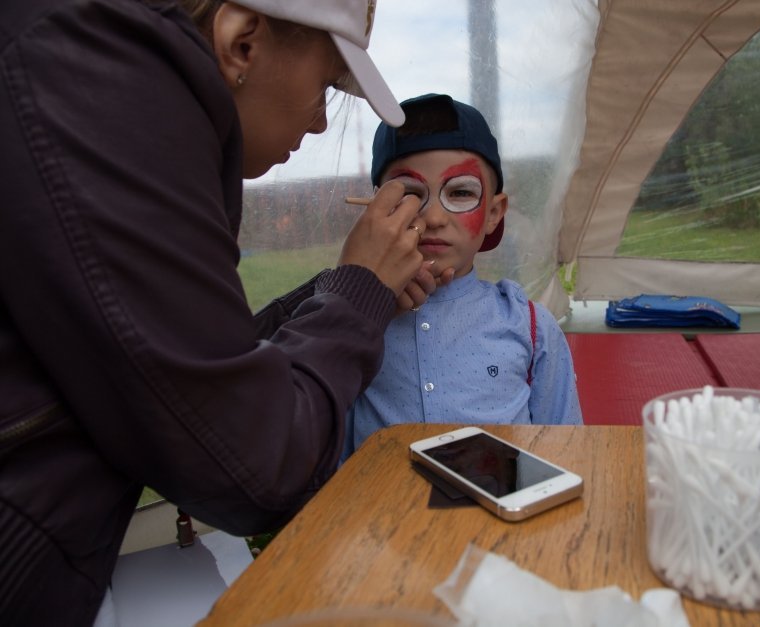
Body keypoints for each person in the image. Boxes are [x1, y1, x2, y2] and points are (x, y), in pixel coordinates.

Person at [0, 1, 443, 624]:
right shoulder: (96, 79)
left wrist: (348, 289)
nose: (319, 123)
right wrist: (358, 292)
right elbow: (254, 469)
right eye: (324, 87)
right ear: (242, 43)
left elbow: (195, 371)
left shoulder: (88, 74)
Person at [343, 94, 583, 458]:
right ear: (379, 210)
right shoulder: (347, 328)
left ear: (494, 212)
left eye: (459, 193)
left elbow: (570, 453)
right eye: (410, 194)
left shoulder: (531, 328)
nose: (435, 217)